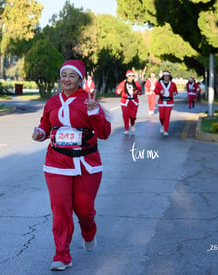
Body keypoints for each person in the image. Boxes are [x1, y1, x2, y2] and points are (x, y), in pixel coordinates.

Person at [32, 60, 111, 271]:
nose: (66, 79)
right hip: (56, 163)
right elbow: (46, 125)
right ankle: (62, 254)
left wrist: (94, 112)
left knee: (84, 209)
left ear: (80, 80)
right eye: (64, 75)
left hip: (87, 164)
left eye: (72, 76)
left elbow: (104, 133)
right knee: (61, 209)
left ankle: (88, 231)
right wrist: (40, 132)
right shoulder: (52, 102)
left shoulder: (89, 100)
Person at [115, 70, 142, 134]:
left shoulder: (136, 83)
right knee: (125, 115)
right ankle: (126, 129)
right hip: (125, 101)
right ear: (127, 76)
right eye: (130, 76)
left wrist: (137, 92)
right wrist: (119, 91)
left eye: (132, 75)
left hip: (134, 101)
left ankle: (132, 124)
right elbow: (117, 91)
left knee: (133, 116)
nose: (131, 77)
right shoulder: (123, 83)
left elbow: (140, 92)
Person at [154, 71, 178, 137]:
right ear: (163, 77)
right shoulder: (159, 83)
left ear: (169, 77)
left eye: (167, 76)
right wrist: (160, 92)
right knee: (161, 116)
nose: (166, 77)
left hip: (169, 102)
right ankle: (162, 125)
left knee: (167, 117)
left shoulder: (173, 84)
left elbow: (176, 91)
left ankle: (166, 130)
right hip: (161, 102)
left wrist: (174, 93)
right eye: (165, 76)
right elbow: (155, 91)